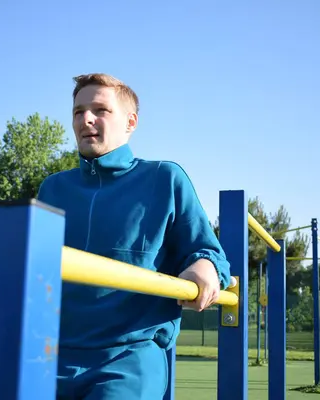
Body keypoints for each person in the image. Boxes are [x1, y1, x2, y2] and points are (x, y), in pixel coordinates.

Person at [37, 73, 231, 399]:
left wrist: (204, 266)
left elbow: (206, 251)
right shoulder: (54, 188)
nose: (86, 119)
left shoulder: (163, 178)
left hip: (127, 358)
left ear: (131, 122)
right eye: (77, 111)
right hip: (52, 354)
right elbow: (31, 262)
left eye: (100, 110)